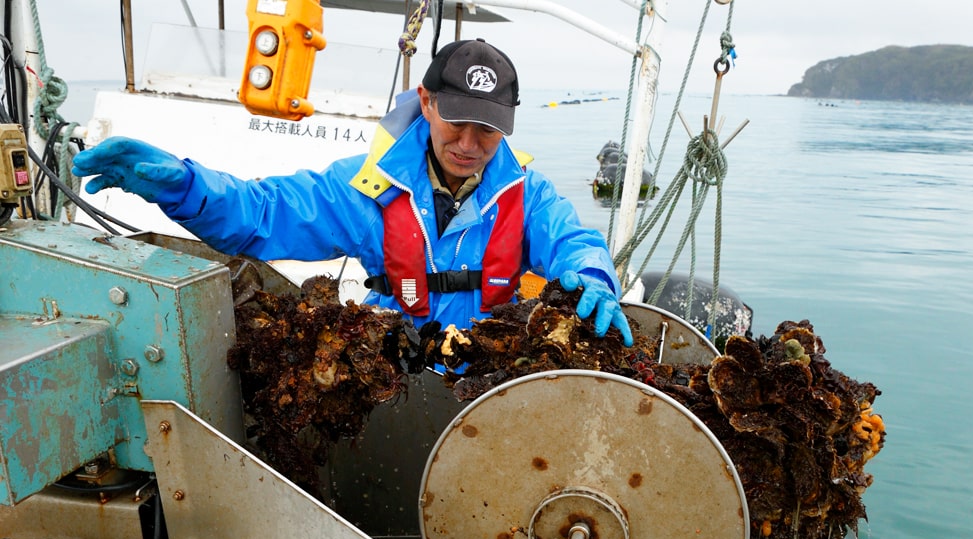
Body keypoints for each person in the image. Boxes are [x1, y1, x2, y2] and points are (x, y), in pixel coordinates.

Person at [72, 38, 633, 347]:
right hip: (391, 371)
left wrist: (592, 278)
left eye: (487, 129)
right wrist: (184, 185)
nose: (469, 144)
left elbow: (574, 241)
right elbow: (260, 216)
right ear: (428, 102)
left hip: (491, 380)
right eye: (456, 121)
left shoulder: (527, 195)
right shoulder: (364, 187)